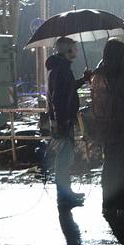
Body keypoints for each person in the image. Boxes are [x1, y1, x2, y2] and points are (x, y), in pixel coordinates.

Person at [95, 39, 124, 216]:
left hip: (105, 128)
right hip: (123, 126)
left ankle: (108, 204)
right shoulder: (122, 73)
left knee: (109, 165)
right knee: (123, 166)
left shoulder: (99, 73)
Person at [45, 37, 91, 208]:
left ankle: (65, 193)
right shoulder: (61, 70)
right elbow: (57, 98)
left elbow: (67, 89)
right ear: (67, 51)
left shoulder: (59, 68)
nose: (76, 51)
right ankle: (64, 195)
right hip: (63, 121)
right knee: (64, 158)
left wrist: (83, 79)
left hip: (62, 120)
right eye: (74, 48)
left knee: (65, 157)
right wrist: (61, 121)